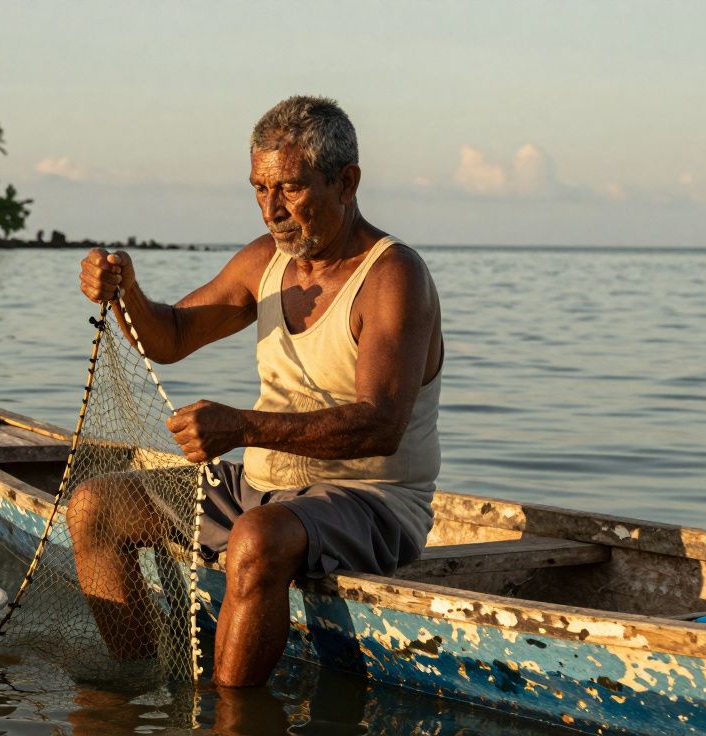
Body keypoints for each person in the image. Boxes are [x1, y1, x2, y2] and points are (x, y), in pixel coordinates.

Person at [73, 95, 443, 688]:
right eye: (259, 189)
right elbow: (166, 338)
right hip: (263, 489)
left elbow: (381, 424)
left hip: (371, 501)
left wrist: (244, 428)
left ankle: (227, 719)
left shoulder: (392, 275)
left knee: (255, 537)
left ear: (346, 182)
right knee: (96, 507)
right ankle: (137, 688)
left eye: (290, 189)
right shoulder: (264, 261)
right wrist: (125, 293)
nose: (271, 210)